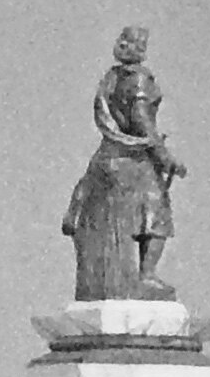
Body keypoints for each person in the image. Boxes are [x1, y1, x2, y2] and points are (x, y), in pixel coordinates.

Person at [60, 25, 183, 302]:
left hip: (107, 154)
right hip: (135, 159)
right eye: (125, 40)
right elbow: (141, 118)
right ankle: (145, 275)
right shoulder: (137, 79)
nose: (125, 45)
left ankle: (120, 278)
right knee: (155, 214)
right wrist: (164, 156)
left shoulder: (110, 79)